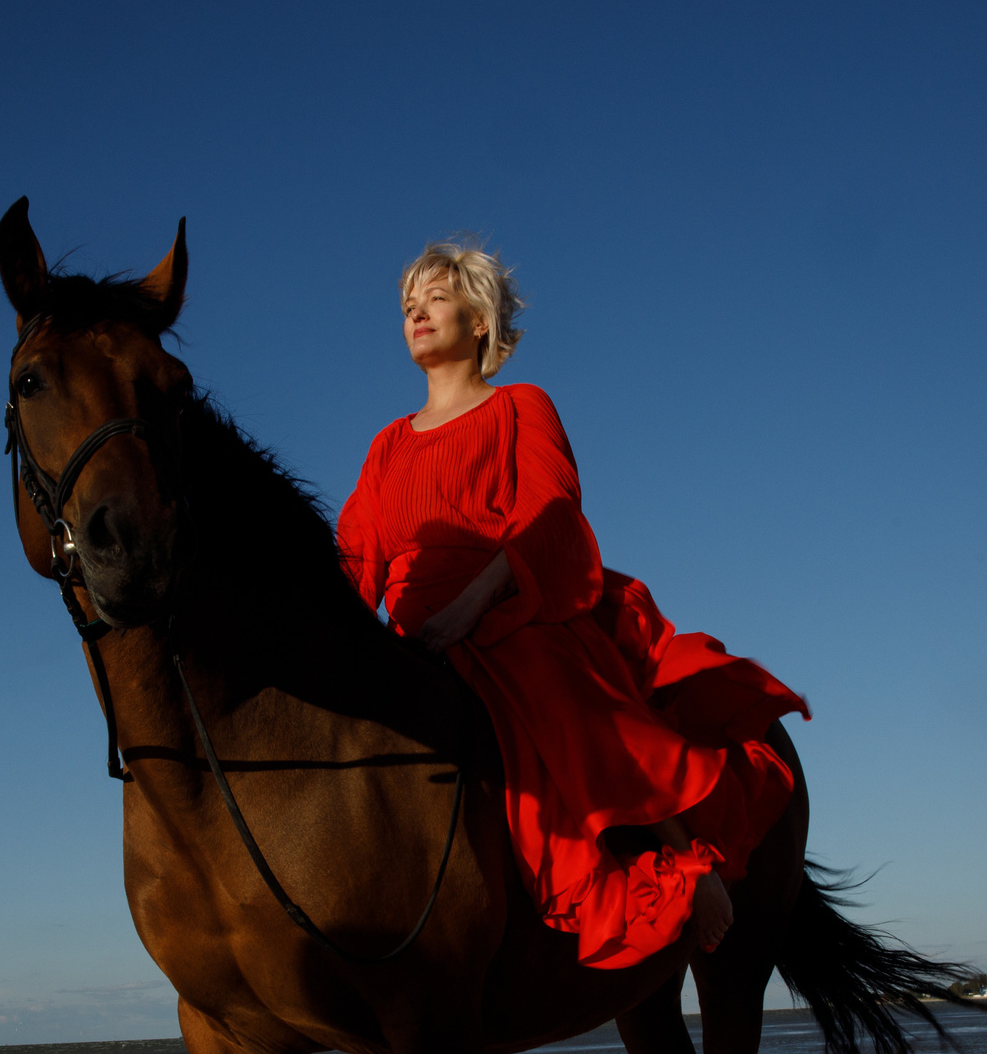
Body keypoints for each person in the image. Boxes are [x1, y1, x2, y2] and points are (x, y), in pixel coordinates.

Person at [333, 238, 808, 967]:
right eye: (407, 304)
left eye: (434, 297)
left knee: (564, 700)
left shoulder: (521, 407)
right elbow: (356, 558)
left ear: (480, 319)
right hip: (417, 632)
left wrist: (470, 606)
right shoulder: (386, 446)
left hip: (509, 606)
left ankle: (686, 861)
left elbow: (551, 513)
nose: (415, 312)